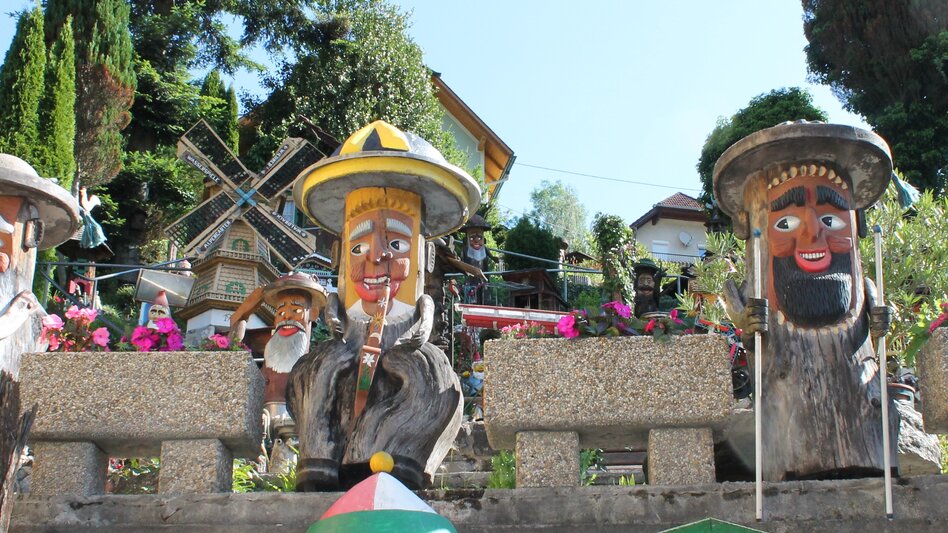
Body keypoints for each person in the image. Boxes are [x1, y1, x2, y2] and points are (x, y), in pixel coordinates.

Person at [289, 120, 481, 491]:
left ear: (424, 256)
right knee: (320, 371)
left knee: (430, 377)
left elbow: (423, 310)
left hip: (400, 356)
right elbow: (335, 309)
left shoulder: (418, 300)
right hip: (350, 351)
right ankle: (321, 460)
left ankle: (397, 458)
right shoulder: (343, 301)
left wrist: (420, 324)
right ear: (339, 255)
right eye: (358, 248)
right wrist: (333, 310)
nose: (376, 256)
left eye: (396, 244)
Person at [714, 121, 895, 480]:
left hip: (865, 429)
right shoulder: (747, 295)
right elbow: (740, 317)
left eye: (832, 218)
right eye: (786, 223)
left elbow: (872, 307)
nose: (814, 233)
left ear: (855, 222)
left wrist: (878, 318)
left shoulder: (866, 289)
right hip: (788, 444)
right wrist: (746, 323)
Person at [230, 272, 327, 472]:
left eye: (296, 309)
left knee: (286, 458)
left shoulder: (313, 363)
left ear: (313, 314)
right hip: (261, 423)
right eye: (280, 311)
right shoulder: (268, 354)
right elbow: (232, 342)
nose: (287, 316)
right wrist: (246, 309)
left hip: (293, 427)